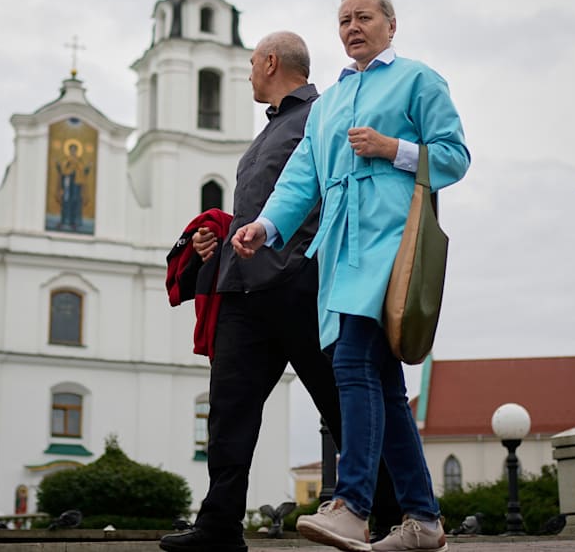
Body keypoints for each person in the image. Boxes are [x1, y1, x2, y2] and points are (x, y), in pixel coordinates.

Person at [234, 0, 470, 552]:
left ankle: (353, 505)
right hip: (340, 252)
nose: (352, 27)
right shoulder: (329, 104)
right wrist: (265, 226)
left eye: (364, 17)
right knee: (385, 386)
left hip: (393, 242)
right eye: (344, 20)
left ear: (391, 25)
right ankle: (423, 520)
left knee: (351, 361)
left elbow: (455, 157)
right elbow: (301, 178)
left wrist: (393, 148)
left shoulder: (418, 80)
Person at [159, 31, 399, 552]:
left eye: (251, 63)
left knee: (342, 403)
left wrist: (295, 262)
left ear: (270, 63)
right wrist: (216, 238)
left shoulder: (323, 116)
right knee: (229, 410)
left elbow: (335, 191)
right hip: (243, 292)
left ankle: (393, 517)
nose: (248, 73)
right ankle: (220, 526)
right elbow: (261, 210)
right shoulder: (266, 132)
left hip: (300, 288)